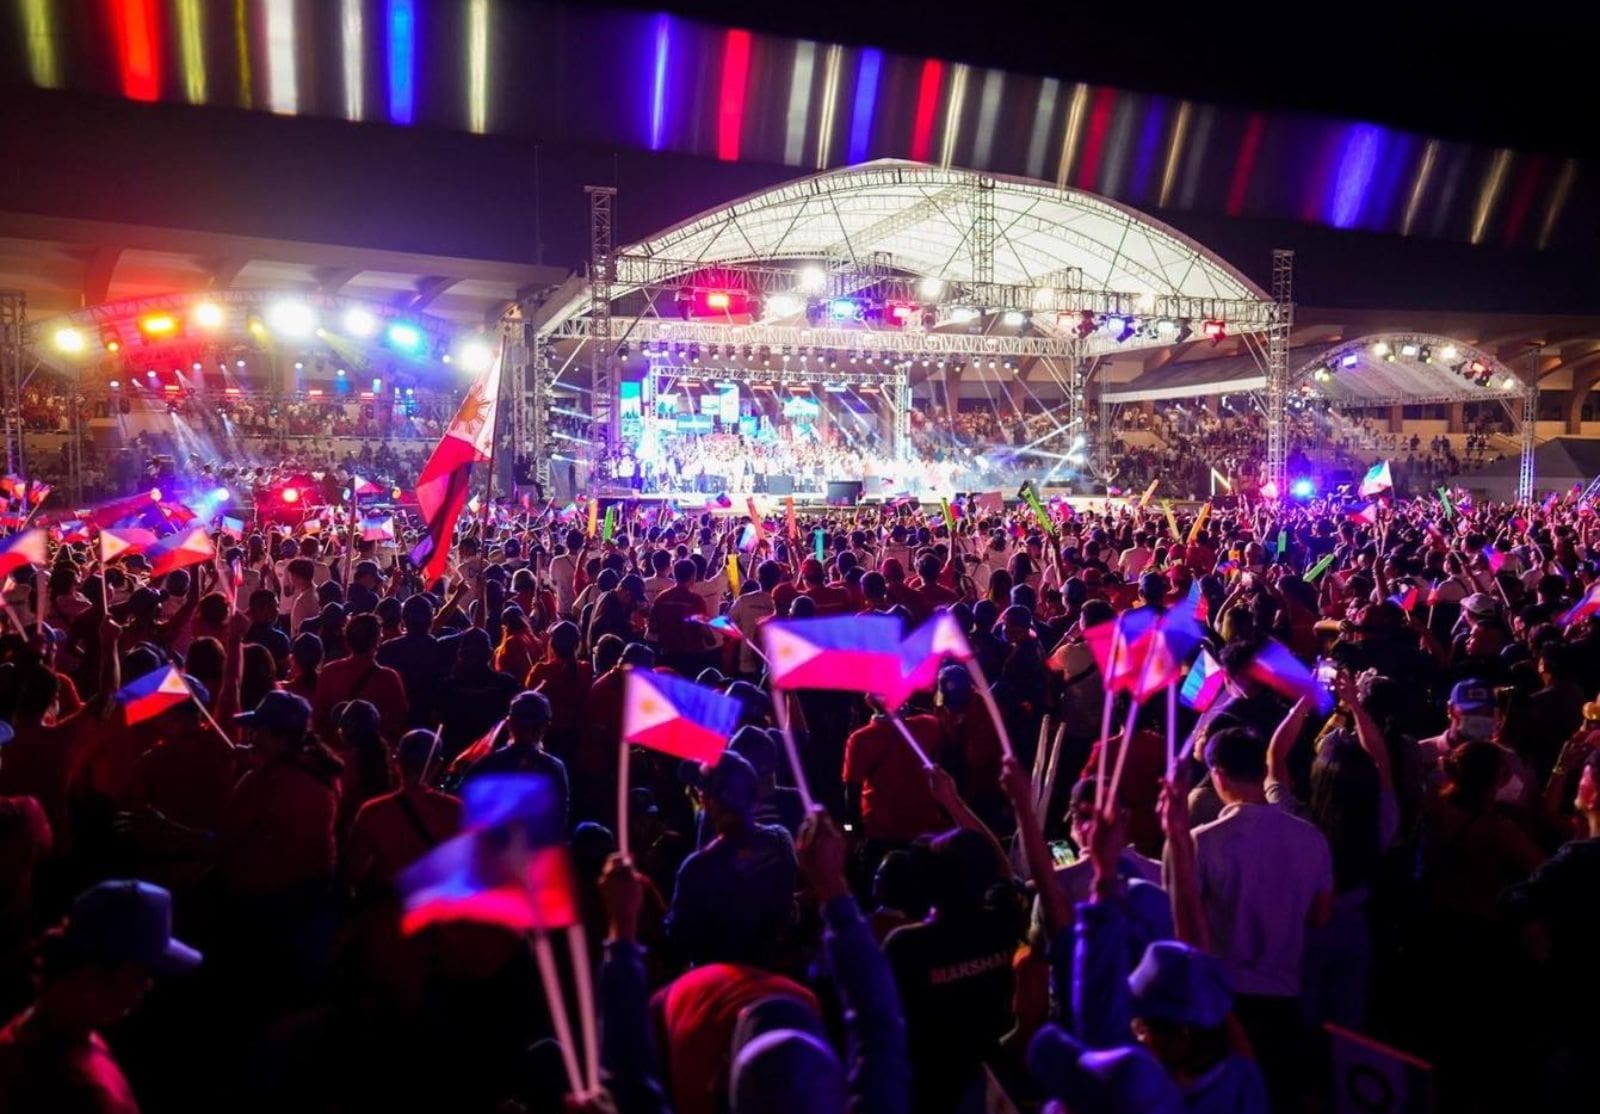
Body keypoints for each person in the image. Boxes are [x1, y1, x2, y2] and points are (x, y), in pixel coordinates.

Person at [1178, 724, 1332, 1111]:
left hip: (1223, 1001)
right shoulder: (1311, 838)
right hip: (1285, 999)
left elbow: (1187, 927)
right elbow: (1320, 916)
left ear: (1218, 774)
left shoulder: (1204, 840)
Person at [0, 880, 200, 1114]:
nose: (147, 986)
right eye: (140, 974)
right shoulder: (86, 1092)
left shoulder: (28, 1026)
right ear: (91, 973)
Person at [664, 752, 797, 968]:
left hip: (723, 985)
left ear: (709, 801)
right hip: (776, 972)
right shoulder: (780, 841)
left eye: (701, 792)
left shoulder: (698, 868)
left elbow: (680, 936)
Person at [311, 613, 408, 742]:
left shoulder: (329, 672)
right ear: (377, 641)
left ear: (347, 641)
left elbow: (319, 719)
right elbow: (398, 723)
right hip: (373, 754)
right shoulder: (388, 678)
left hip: (338, 753)